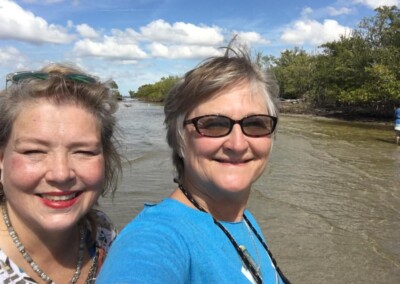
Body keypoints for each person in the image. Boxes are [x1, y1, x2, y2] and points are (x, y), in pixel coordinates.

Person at [97, 46, 291, 284]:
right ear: (178, 139)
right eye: (213, 124)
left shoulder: (244, 220)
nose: (238, 144)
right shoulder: (155, 238)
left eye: (256, 124)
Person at [0, 63, 122, 283]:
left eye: (84, 151)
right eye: (34, 151)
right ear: (1, 160)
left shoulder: (102, 232)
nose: (61, 174)